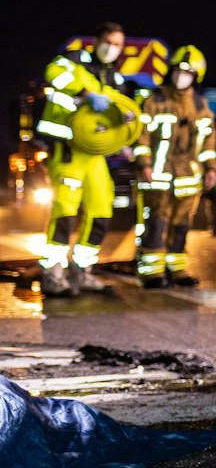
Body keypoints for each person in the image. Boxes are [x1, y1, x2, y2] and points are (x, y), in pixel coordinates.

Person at [34, 22, 134, 296]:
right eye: (108, 41)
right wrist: (84, 94)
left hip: (94, 155)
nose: (112, 48)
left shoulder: (114, 78)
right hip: (66, 150)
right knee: (65, 211)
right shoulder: (73, 61)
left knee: (101, 210)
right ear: (97, 40)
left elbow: (115, 114)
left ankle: (82, 272)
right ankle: (53, 275)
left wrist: (124, 128)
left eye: (117, 45)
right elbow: (53, 73)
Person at [134, 45, 216, 288]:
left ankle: (177, 268)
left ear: (196, 76)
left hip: (188, 179)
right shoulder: (153, 101)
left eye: (188, 72)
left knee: (182, 225)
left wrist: (211, 168)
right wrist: (145, 164)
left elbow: (209, 141)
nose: (181, 76)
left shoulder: (201, 106)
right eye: (178, 71)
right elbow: (141, 137)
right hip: (157, 177)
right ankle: (151, 272)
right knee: (156, 223)